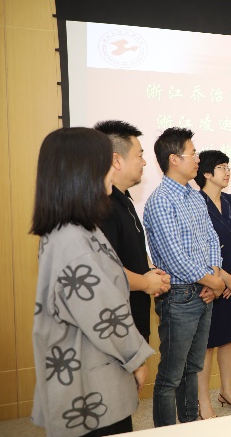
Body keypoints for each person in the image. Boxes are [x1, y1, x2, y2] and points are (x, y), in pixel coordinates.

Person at [30, 128, 154, 437]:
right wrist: (136, 357)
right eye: (105, 163)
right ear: (84, 172)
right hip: (89, 384)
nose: (112, 170)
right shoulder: (71, 238)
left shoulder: (78, 228)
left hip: (92, 370)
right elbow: (103, 313)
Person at [143, 127, 226, 427]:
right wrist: (213, 282)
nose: (198, 159)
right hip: (179, 297)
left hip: (204, 292)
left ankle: (191, 426)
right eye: (193, 154)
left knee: (193, 368)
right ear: (174, 159)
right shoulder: (161, 200)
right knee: (171, 376)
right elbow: (175, 257)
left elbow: (212, 240)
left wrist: (214, 275)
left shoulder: (194, 197)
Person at [94, 120, 171, 341]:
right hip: (114, 324)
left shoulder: (124, 199)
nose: (144, 162)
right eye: (139, 155)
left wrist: (151, 272)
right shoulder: (103, 206)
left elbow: (129, 249)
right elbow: (104, 269)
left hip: (133, 318)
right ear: (117, 160)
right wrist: (146, 283)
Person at [194, 150, 231, 418]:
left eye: (228, 167)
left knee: (229, 338)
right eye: (221, 167)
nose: (227, 172)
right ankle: (202, 400)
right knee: (207, 344)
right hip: (211, 283)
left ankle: (226, 391)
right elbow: (198, 248)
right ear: (207, 173)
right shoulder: (196, 203)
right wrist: (225, 278)